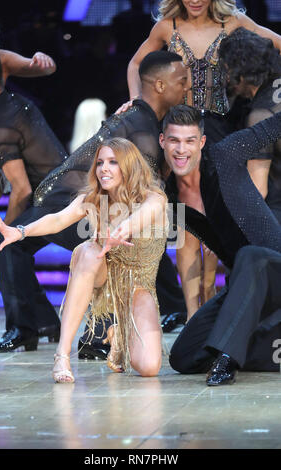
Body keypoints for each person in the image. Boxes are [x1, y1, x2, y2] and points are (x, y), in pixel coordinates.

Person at [0, 50, 188, 354]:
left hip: (65, 200)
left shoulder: (140, 118)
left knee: (121, 235)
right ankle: (91, 333)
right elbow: (148, 197)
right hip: (70, 203)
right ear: (160, 85)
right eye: (182, 81)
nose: (187, 87)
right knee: (112, 239)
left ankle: (47, 327)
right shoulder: (141, 126)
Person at [119, 0, 281, 322]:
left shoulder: (232, 22)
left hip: (220, 131)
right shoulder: (167, 26)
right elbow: (136, 64)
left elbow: (274, 43)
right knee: (187, 224)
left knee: (218, 224)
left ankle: (212, 307)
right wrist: (140, 103)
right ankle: (194, 315)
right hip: (181, 129)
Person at [0, 137, 168, 382]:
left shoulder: (154, 198)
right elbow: (57, 220)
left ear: (128, 165)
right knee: (88, 250)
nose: (104, 168)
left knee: (149, 367)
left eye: (113, 162)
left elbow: (140, 218)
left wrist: (122, 229)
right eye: (100, 162)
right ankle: (62, 355)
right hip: (103, 277)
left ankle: (118, 335)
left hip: (139, 287)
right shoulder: (93, 198)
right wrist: (20, 231)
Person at [160, 104, 281, 386]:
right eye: (175, 140)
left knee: (251, 257)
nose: (182, 150)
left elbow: (273, 126)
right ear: (162, 141)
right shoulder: (168, 196)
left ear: (201, 142)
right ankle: (250, 344)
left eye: (190, 141)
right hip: (245, 287)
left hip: (274, 269)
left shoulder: (225, 154)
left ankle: (228, 358)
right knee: (184, 357)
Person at [0, 1, 56, 362]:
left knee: (4, 242)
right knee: (8, 245)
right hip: (6, 149)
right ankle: (42, 321)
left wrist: (43, 60)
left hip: (0, 157)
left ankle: (6, 325)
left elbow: (41, 67)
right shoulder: (6, 105)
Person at [218, 27, 281, 221]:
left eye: (227, 71)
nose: (226, 79)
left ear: (240, 72)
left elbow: (257, 191)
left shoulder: (260, 115)